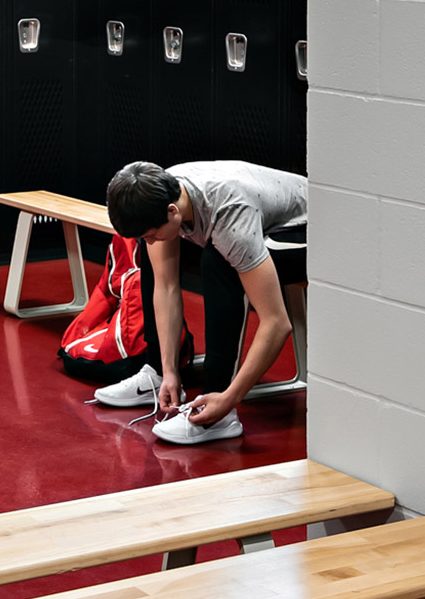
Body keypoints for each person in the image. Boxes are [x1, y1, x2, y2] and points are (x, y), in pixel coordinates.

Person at [90, 160, 307, 445]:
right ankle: (157, 375)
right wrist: (169, 371)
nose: (153, 241)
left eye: (154, 234)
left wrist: (230, 399)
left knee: (218, 261)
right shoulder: (166, 193)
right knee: (157, 262)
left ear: (172, 211)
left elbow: (277, 323)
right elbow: (165, 286)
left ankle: (217, 410)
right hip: (258, 218)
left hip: (310, 227)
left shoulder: (230, 217)